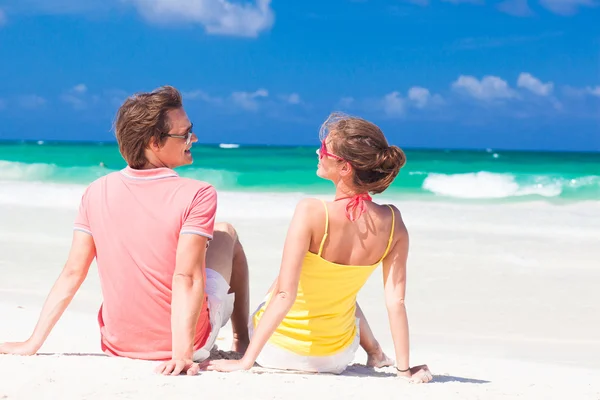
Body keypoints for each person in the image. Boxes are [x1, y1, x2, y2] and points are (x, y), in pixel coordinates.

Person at [0, 86, 250, 376]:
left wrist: (33, 342)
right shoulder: (198, 193)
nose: (192, 139)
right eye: (184, 134)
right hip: (184, 343)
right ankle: (241, 340)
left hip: (118, 344)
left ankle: (237, 339)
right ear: (154, 142)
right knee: (226, 233)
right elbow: (186, 276)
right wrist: (182, 355)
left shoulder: (95, 191)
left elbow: (73, 271)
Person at [208, 112, 432, 383]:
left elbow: (284, 295)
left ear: (345, 168)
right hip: (335, 357)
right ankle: (377, 354)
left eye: (325, 149)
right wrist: (404, 371)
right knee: (339, 287)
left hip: (276, 351)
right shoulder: (394, 221)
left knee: (287, 280)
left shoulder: (312, 211)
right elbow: (396, 302)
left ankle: (374, 353)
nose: (318, 152)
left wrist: (246, 361)